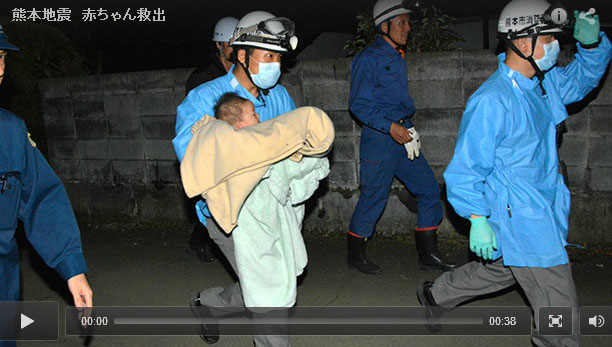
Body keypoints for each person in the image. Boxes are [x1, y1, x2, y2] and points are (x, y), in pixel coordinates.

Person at [417, 1, 611, 346]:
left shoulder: (543, 84)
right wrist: (477, 217)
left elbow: (583, 78)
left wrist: (593, 45)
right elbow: (464, 169)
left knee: (503, 269)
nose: (555, 46)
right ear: (523, 43)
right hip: (523, 215)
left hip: (541, 207)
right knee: (558, 307)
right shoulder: (493, 99)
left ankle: (437, 296)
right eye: (549, 38)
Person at [172, 10, 298, 346]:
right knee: (269, 291)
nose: (276, 64)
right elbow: (193, 159)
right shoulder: (204, 99)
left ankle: (208, 305)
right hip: (229, 212)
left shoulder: (280, 98)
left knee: (270, 282)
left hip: (274, 208)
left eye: (279, 57)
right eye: (267, 56)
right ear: (241, 54)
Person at [346, 0, 456, 274]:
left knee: (429, 190)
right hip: (381, 139)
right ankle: (355, 255)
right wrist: (389, 126)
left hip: (405, 134)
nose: (408, 27)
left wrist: (404, 127)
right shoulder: (368, 58)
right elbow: (358, 105)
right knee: (374, 197)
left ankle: (428, 254)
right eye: (402, 22)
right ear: (384, 25)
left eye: (408, 22)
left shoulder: (398, 54)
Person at [0, 24, 93, 347]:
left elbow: (42, 199)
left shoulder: (11, 132)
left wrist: (72, 270)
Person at [185, 16, 238, 263]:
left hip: (238, 144)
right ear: (219, 45)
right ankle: (199, 240)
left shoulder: (244, 74)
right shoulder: (203, 78)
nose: (237, 47)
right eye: (231, 42)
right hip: (213, 146)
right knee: (213, 199)